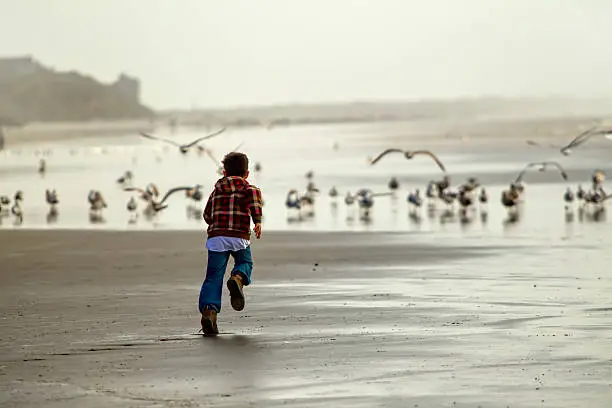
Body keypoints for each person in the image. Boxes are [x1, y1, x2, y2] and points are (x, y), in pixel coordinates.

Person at [199, 152, 263, 335]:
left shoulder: (216, 190)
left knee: (213, 277)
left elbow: (207, 216)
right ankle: (237, 278)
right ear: (247, 173)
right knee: (245, 263)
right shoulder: (249, 189)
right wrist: (257, 221)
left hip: (217, 238)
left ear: (224, 173)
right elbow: (255, 204)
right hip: (239, 237)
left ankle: (209, 312)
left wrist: (217, 223)